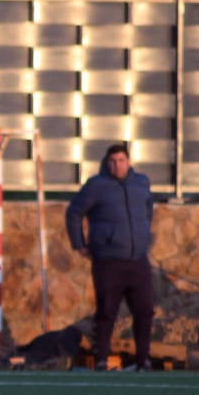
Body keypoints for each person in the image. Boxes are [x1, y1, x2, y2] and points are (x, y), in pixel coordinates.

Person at [65, 143, 155, 371]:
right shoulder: (96, 185)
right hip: (108, 262)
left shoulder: (141, 183)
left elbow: (148, 210)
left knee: (145, 310)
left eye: (121, 160)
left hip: (138, 260)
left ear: (129, 161)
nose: (117, 165)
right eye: (113, 161)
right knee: (106, 312)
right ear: (107, 163)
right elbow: (74, 212)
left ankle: (143, 359)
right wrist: (79, 245)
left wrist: (143, 236)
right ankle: (101, 359)